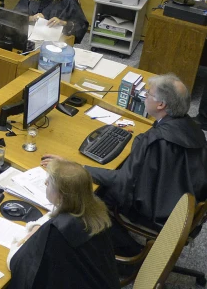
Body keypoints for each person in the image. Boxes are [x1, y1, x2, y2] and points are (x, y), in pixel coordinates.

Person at [42, 73, 207, 255]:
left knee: (92, 195)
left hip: (161, 214)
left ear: (161, 105)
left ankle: (126, 251)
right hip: (183, 203)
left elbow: (123, 181)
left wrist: (77, 168)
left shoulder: (155, 140)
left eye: (148, 94)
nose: (144, 97)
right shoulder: (194, 128)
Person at [7, 159, 120, 289]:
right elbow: (55, 214)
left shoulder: (57, 233)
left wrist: (18, 241)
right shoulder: (95, 210)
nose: (45, 183)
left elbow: (17, 263)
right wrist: (38, 227)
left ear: (60, 195)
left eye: (49, 183)